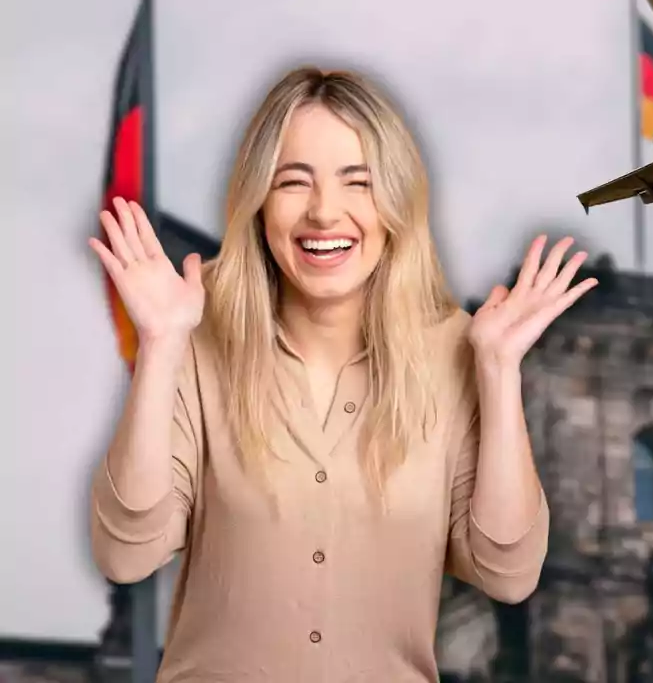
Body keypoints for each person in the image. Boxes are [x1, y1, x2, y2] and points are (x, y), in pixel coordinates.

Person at [87, 66, 597, 681]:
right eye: (293, 182)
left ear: (397, 204)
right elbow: (126, 552)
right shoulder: (199, 342)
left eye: (359, 183)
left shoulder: (455, 352)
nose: (325, 213)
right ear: (258, 205)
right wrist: (162, 346)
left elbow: (507, 573)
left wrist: (498, 369)